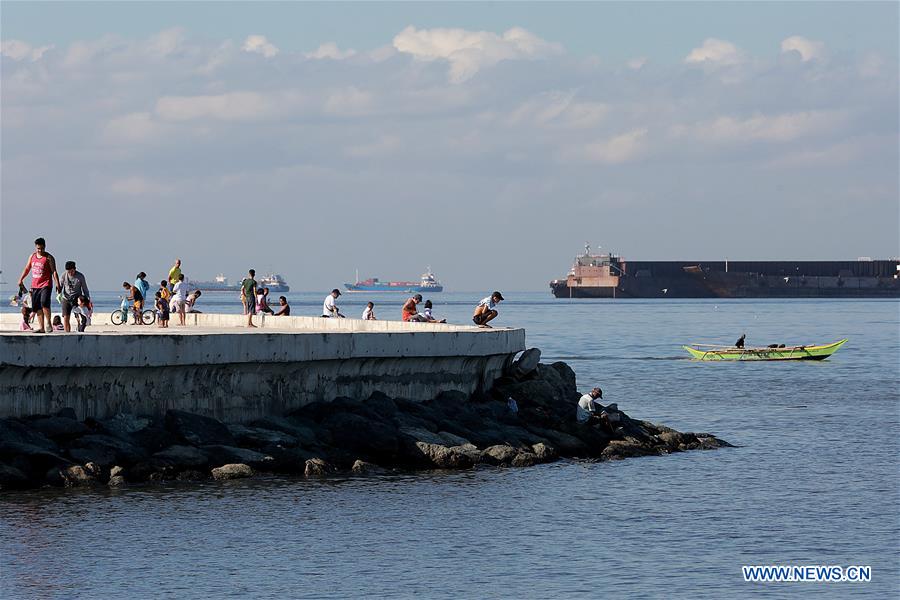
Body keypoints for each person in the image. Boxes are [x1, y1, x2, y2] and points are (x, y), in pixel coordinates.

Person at [16, 237, 61, 333]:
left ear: (45, 247)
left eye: (41, 248)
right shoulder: (32, 256)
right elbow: (27, 268)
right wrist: (21, 279)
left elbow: (54, 272)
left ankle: (48, 323)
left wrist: (58, 284)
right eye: (38, 248)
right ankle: (42, 327)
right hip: (35, 285)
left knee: (44, 302)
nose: (40, 250)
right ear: (35, 247)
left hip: (46, 284)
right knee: (37, 307)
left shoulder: (49, 258)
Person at [60, 260, 91, 333]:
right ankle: (67, 332)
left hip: (77, 299)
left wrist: (87, 299)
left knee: (80, 316)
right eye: (68, 271)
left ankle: (80, 328)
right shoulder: (63, 275)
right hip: (66, 298)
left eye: (72, 271)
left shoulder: (80, 276)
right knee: (66, 317)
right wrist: (58, 293)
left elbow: (85, 289)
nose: (70, 273)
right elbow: (60, 287)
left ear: (75, 269)